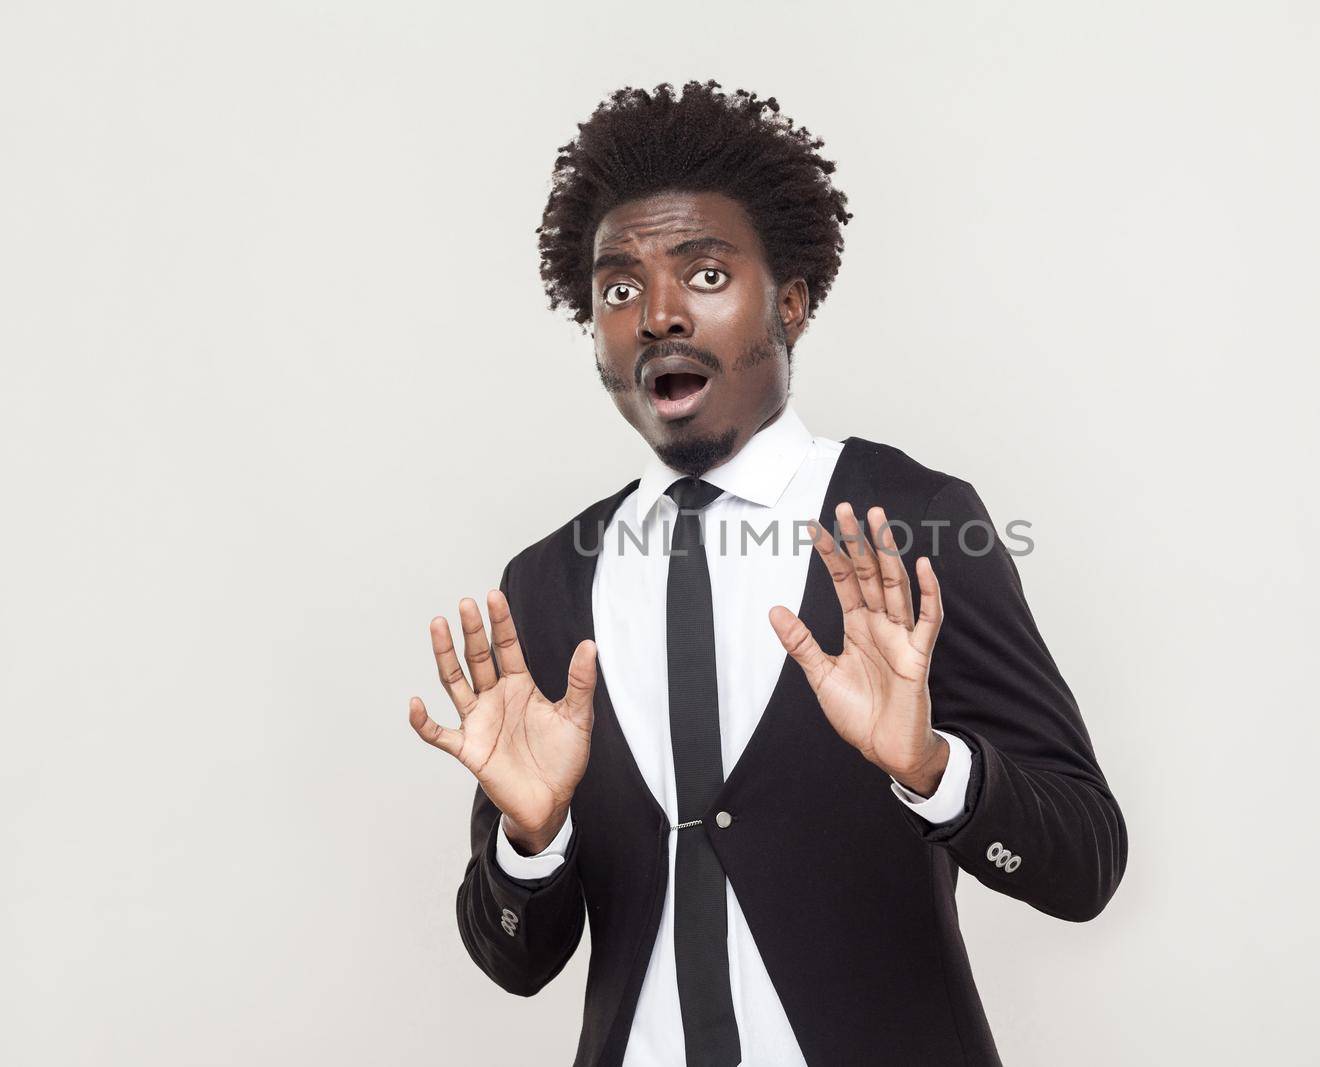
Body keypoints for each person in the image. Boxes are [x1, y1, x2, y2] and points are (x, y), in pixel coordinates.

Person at [408, 80, 1127, 1067]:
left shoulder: (913, 520)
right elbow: (515, 959)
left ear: (788, 300)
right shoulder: (546, 583)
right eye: (619, 289)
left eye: (703, 274)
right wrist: (530, 839)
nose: (657, 313)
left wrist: (932, 769)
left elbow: (1084, 861)